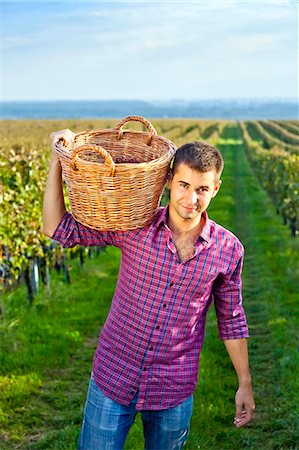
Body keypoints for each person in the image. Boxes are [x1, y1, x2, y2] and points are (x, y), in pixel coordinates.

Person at [43, 129, 255, 450]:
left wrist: (245, 384)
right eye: (184, 185)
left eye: (202, 189)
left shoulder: (228, 250)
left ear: (216, 188)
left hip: (173, 385)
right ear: (170, 180)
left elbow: (232, 320)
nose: (191, 199)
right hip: (113, 375)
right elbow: (56, 227)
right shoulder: (134, 227)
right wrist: (57, 160)